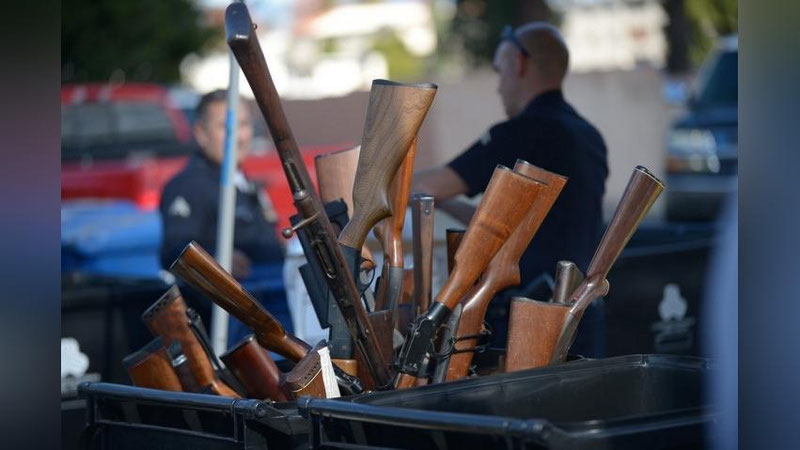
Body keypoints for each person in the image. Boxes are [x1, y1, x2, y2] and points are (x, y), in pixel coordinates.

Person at [412, 23, 608, 357]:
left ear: (519, 63)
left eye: (500, 71)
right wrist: (444, 203)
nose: (499, 86)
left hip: (529, 324)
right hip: (582, 317)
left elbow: (428, 185)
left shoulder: (526, 131)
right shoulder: (588, 135)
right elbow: (517, 228)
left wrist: (387, 182)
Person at [159, 89, 291, 346]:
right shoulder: (188, 186)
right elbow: (173, 252)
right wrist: (215, 259)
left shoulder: (243, 184)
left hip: (272, 311)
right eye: (226, 127)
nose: (238, 136)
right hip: (231, 333)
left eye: (243, 125)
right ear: (201, 133)